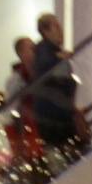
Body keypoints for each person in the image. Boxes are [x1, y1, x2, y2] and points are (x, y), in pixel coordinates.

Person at [27, 12, 82, 161]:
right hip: (55, 116)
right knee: (64, 158)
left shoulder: (47, 52)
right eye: (56, 27)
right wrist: (58, 59)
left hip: (55, 114)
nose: (61, 31)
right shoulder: (47, 54)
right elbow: (48, 71)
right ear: (46, 31)